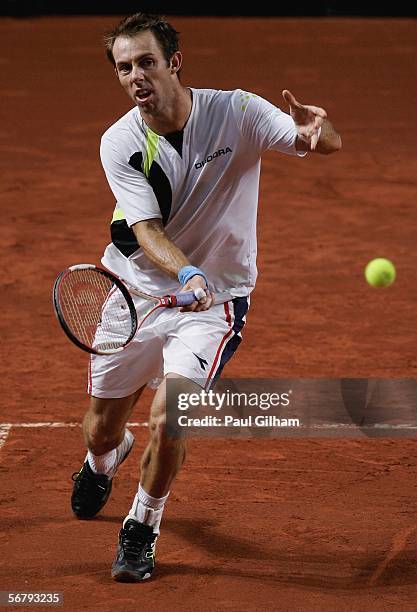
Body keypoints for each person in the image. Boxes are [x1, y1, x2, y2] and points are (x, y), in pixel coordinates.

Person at [70, 12, 342, 583]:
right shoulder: (120, 142)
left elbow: (316, 141)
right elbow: (145, 231)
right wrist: (187, 273)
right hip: (137, 293)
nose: (136, 77)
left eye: (146, 62)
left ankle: (142, 523)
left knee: (172, 415)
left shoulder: (236, 111)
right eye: (124, 68)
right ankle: (104, 460)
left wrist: (318, 133)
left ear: (175, 62)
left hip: (214, 304)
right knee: (99, 427)